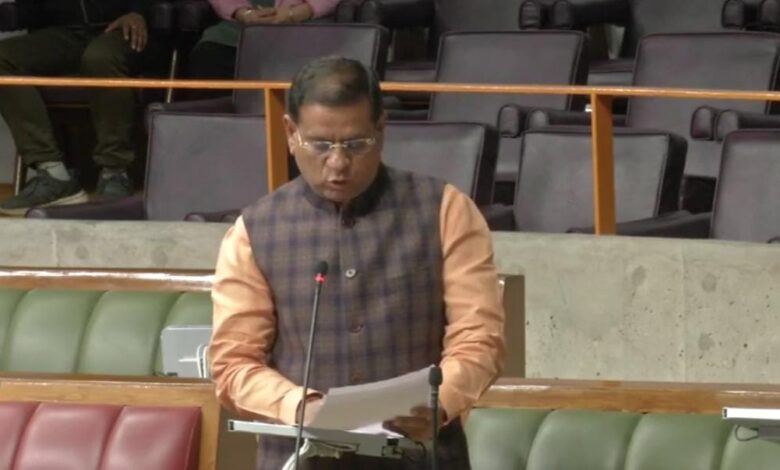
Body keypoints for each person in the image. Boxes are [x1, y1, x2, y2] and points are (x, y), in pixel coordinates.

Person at [209, 56, 505, 469]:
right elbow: (233, 363)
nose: (337, 163)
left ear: (381, 131)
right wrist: (302, 407)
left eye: (355, 144)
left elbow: (480, 338)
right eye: (319, 144)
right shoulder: (253, 230)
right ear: (290, 133)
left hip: (421, 458)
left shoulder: (445, 210)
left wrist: (439, 402)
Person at [0, 0, 163, 215]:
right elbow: (30, 11)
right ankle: (53, 173)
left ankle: (115, 171)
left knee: (99, 58)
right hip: (65, 33)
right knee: (3, 58)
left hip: (124, 27)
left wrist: (139, 12)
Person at [187, 0, 342, 87]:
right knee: (210, 52)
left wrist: (297, 12)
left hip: (304, 22)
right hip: (241, 24)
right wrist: (242, 13)